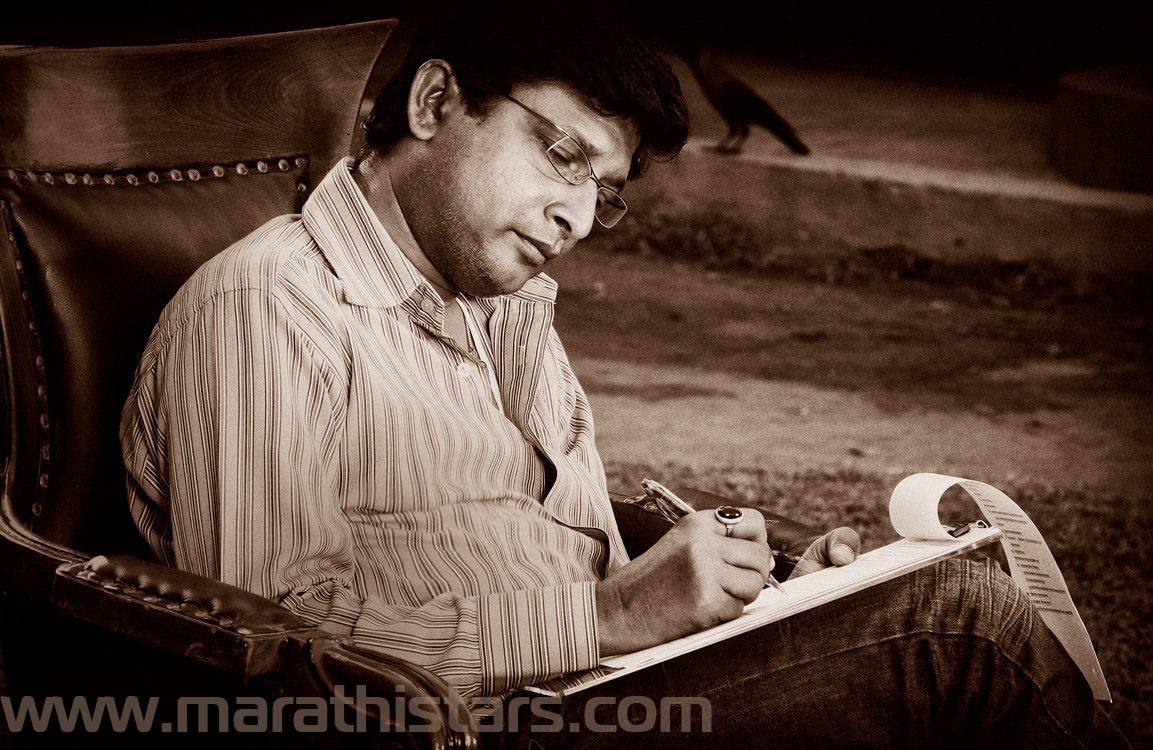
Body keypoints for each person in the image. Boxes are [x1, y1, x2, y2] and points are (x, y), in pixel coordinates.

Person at [119, 5, 1128, 747]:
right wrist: (608, 616)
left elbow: (559, 544)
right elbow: (275, 653)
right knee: (962, 633)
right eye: (561, 155)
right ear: (433, 102)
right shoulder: (271, 308)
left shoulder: (498, 309)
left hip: (605, 686)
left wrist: (767, 596)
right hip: (476, 729)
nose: (575, 216)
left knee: (944, 595)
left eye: (602, 192)